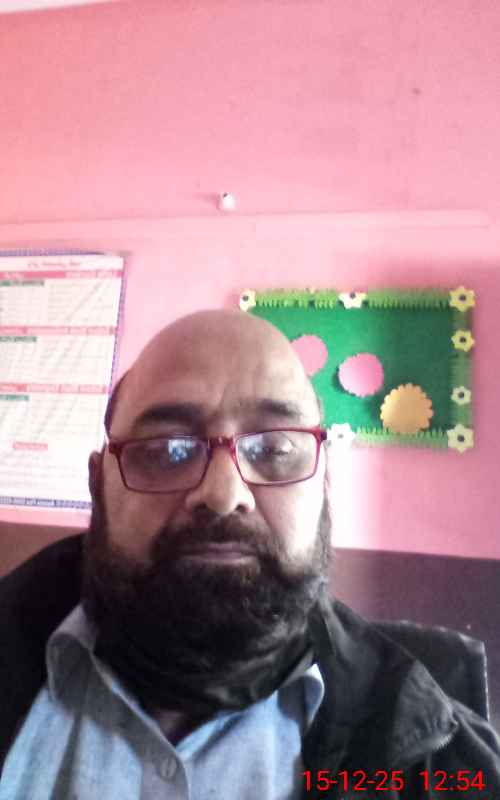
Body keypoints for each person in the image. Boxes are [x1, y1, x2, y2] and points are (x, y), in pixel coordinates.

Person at [0, 308, 499, 800]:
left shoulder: (448, 766)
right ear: (98, 483)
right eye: (166, 449)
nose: (223, 495)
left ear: (323, 482)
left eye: (275, 449)